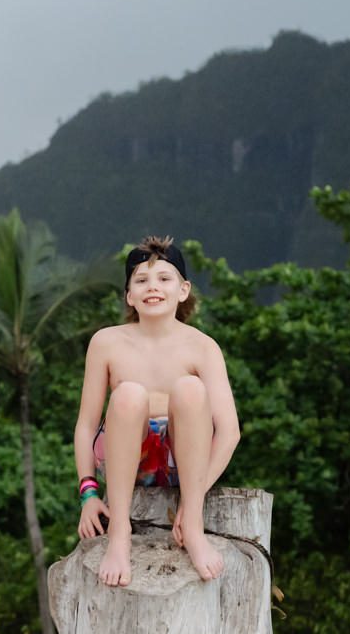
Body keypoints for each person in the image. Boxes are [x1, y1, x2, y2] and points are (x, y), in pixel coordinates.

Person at [72, 235, 242, 587]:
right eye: (141, 280)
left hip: (183, 462)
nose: (153, 287)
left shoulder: (203, 347)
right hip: (125, 458)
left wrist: (192, 501)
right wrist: (88, 494)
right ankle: (120, 535)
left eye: (164, 279)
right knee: (130, 394)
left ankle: (193, 528)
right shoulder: (106, 341)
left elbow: (228, 432)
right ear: (129, 295)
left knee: (190, 388)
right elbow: (87, 425)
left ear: (183, 290)